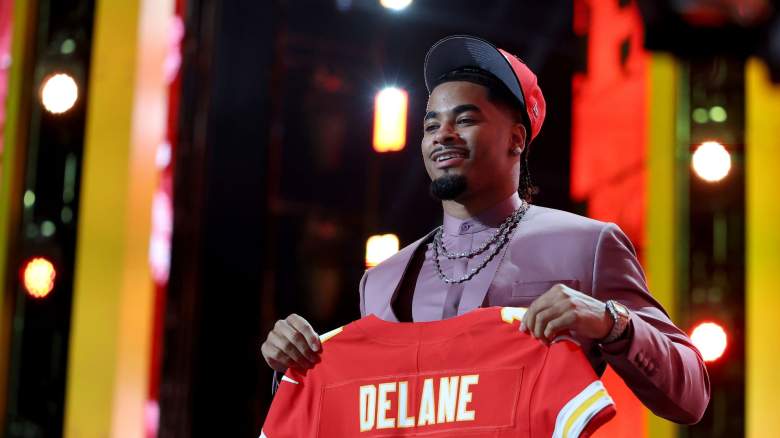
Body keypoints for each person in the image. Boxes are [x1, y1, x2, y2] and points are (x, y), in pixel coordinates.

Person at [260, 35, 710, 424]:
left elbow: (691, 396)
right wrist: (297, 369)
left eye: (465, 119)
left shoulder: (588, 245)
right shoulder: (382, 279)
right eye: (431, 124)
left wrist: (612, 322)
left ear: (516, 139)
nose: (442, 134)